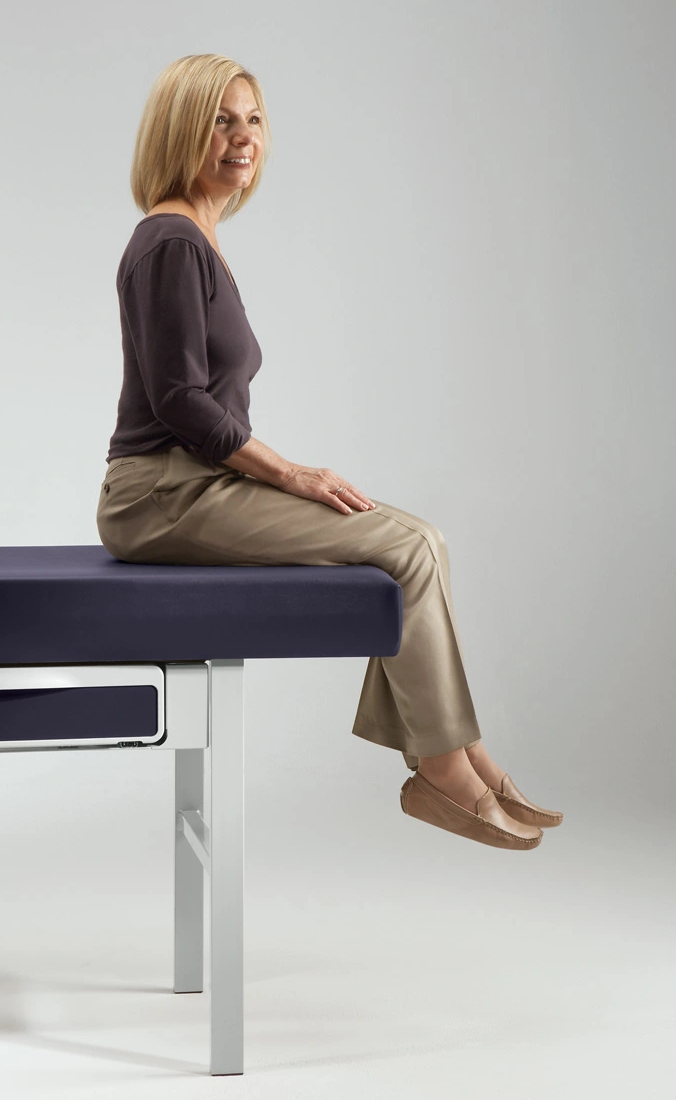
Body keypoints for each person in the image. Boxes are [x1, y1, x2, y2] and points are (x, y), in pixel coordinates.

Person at [96, 53, 563, 851]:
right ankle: (445, 771)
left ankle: (458, 750)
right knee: (408, 546)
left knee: (421, 542)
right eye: (221, 120)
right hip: (161, 495)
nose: (244, 138)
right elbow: (180, 403)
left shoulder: (195, 238)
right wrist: (292, 472)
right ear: (182, 131)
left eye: (253, 120)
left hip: (195, 485)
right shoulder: (171, 240)